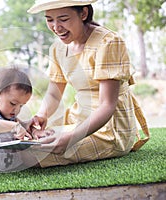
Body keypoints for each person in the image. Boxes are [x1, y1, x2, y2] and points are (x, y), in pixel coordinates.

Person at [26, 0, 150, 168]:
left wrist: (70, 139)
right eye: (49, 19)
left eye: (63, 18)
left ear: (83, 14)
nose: (56, 27)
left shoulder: (108, 42)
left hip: (109, 131)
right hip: (77, 122)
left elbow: (107, 105)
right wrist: (42, 115)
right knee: (23, 142)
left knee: (28, 157)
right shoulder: (58, 48)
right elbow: (54, 93)